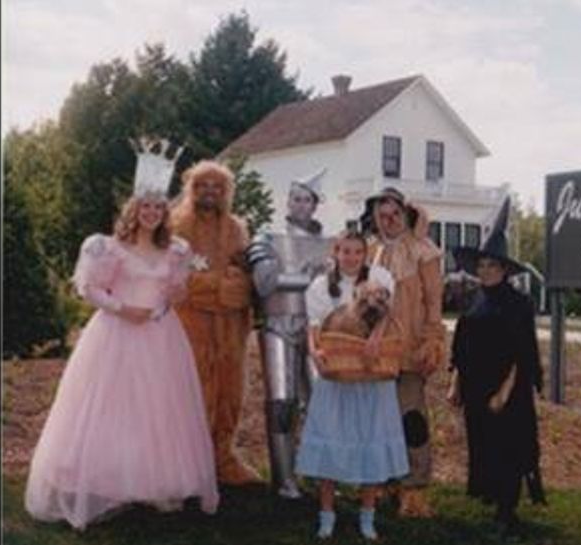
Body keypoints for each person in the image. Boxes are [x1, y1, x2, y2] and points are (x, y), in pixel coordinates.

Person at [24, 138, 218, 530]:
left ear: (165, 213)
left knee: (159, 410)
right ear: (134, 209)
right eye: (145, 207)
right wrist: (122, 309)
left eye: (158, 208)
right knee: (111, 408)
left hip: (161, 336)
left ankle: (154, 482)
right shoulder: (107, 247)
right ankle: (104, 482)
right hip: (115, 334)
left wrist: (171, 299)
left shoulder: (176, 251)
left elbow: (172, 294)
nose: (151, 213)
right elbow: (89, 289)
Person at [295, 230, 409, 540]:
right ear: (336, 252)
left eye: (357, 252)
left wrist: (374, 338)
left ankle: (367, 516)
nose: (351, 257)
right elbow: (313, 328)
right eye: (345, 251)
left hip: (374, 375)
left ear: (364, 253)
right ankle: (327, 514)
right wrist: (314, 351)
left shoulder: (381, 277)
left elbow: (387, 316)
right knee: (332, 443)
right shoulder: (320, 287)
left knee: (370, 443)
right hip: (337, 376)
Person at [447, 197, 546, 537]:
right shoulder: (474, 301)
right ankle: (495, 503)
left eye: (493, 265)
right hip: (476, 387)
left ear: (505, 270)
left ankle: (508, 511)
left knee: (510, 447)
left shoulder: (519, 304)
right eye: (483, 264)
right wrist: (455, 383)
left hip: (508, 390)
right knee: (485, 445)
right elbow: (461, 347)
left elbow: (523, 353)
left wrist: (505, 393)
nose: (486, 270)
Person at [243, 168, 333, 498]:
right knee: (282, 403)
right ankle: (284, 478)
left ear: (315, 205)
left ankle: (320, 475)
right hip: (277, 324)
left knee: (321, 403)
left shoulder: (329, 243)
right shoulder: (266, 238)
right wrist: (309, 277)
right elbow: (264, 282)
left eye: (306, 199)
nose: (300, 204)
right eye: (295, 198)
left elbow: (338, 288)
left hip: (316, 327)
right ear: (288, 200)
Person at [359, 187, 446, 517]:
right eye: (383, 216)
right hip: (378, 351)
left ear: (405, 214)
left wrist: (432, 339)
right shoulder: (373, 252)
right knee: (380, 419)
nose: (389, 220)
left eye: (395, 214)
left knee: (412, 419)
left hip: (410, 350)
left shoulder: (424, 251)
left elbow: (435, 302)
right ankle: (385, 483)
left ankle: (415, 489)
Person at [170, 158, 256, 485]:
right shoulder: (176, 225)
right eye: (202, 186)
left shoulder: (236, 228)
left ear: (226, 193)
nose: (209, 192)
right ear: (191, 190)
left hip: (230, 329)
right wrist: (219, 286)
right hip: (189, 326)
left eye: (217, 187)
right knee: (192, 391)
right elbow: (175, 281)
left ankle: (223, 457)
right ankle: (187, 462)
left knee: (229, 392)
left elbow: (244, 277)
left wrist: (233, 286)